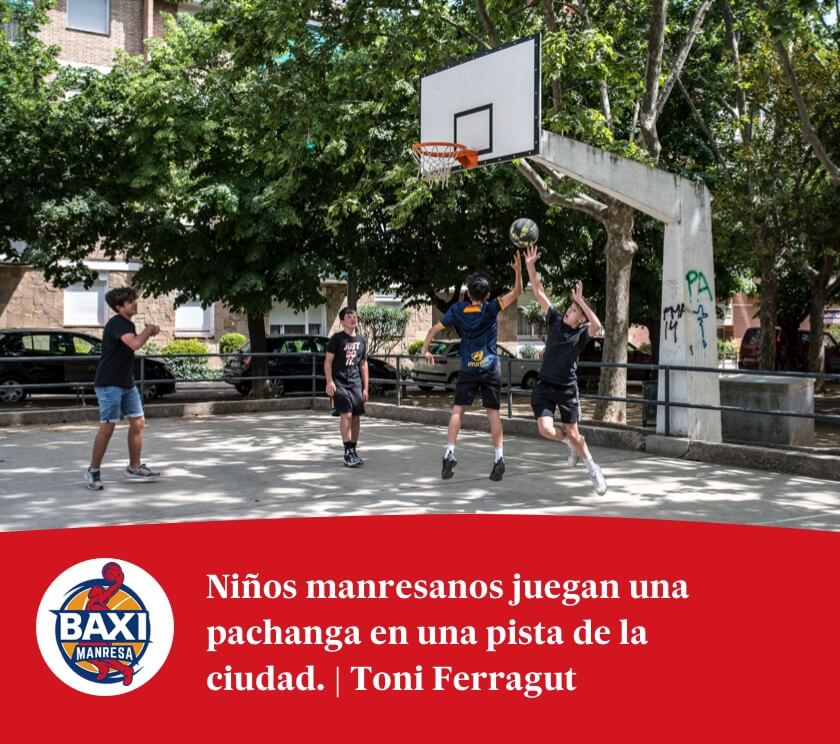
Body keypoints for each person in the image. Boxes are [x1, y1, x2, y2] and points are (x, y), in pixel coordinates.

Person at [421, 253, 523, 481]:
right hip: (490, 368)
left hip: (468, 367)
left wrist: (425, 350)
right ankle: (499, 458)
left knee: (458, 410)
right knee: (493, 412)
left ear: (468, 293)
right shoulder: (491, 308)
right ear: (487, 295)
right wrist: (518, 270)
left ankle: (449, 452)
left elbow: (433, 330)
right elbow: (517, 293)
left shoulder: (458, 310)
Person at [524, 245, 607, 495]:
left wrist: (581, 300)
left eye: (573, 311)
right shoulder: (555, 321)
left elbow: (598, 324)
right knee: (545, 429)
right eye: (570, 308)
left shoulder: (582, 334)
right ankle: (568, 444)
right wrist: (531, 265)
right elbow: (538, 291)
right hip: (545, 386)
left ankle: (593, 470)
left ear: (579, 319)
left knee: (576, 434)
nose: (569, 312)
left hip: (567, 388)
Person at [84, 287, 161, 490]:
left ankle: (134, 467)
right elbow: (135, 344)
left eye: (134, 299)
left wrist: (148, 331)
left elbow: (131, 344)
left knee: (138, 423)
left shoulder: (127, 323)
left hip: (126, 382)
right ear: (119, 307)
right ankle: (93, 471)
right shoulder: (117, 323)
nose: (135, 303)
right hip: (109, 383)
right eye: (129, 302)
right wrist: (149, 329)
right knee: (107, 428)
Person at [325, 307, 369, 467]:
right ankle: (347, 451)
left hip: (356, 382)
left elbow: (363, 365)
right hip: (340, 382)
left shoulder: (361, 340)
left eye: (354, 316)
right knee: (347, 415)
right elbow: (328, 362)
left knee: (356, 417)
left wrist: (365, 387)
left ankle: (353, 450)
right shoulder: (337, 339)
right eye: (349, 316)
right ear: (342, 321)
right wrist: (329, 382)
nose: (353, 319)